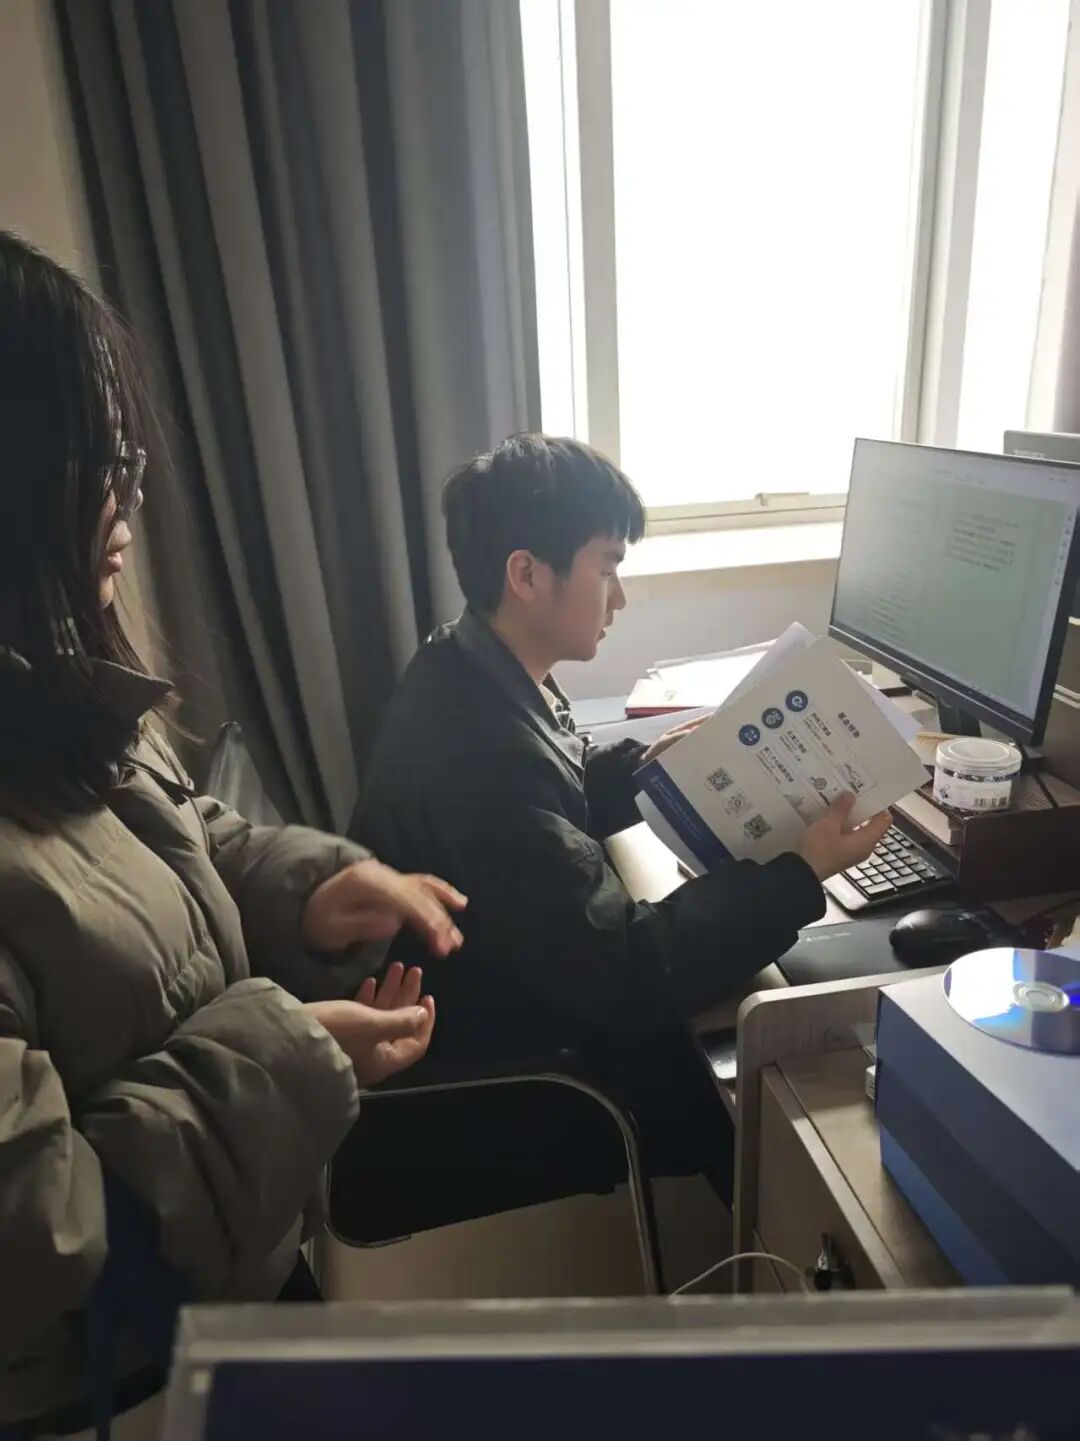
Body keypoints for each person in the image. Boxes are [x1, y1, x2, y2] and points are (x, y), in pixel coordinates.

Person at [0, 231, 468, 1435]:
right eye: (94, 457)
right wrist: (289, 1050)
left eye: (127, 452)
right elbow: (34, 1233)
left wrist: (314, 884)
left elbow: (170, 834)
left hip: (231, 1281)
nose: (127, 496)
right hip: (117, 1387)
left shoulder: (49, 689)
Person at [352, 434, 889, 1201]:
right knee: (753, 1081)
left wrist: (644, 771)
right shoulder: (480, 754)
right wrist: (800, 874)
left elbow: (552, 790)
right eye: (607, 567)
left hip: (502, 997)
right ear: (527, 575)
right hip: (500, 1078)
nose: (620, 596)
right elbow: (628, 971)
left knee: (747, 1012)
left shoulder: (466, 664)